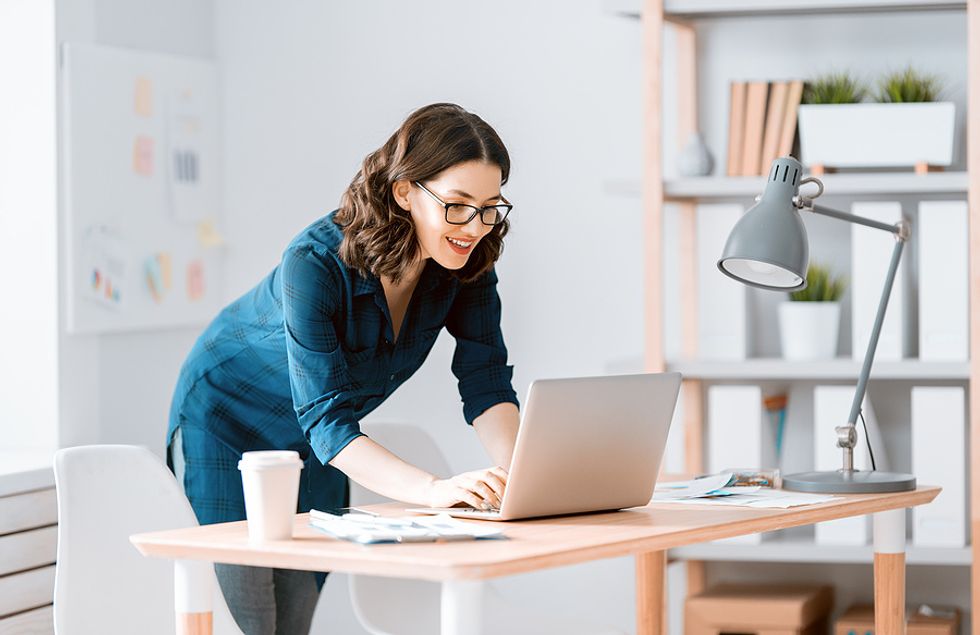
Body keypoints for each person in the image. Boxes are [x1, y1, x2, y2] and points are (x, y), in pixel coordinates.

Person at [166, 103, 521, 634]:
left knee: (294, 618)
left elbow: (486, 378)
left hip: (317, 439)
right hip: (225, 421)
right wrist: (431, 490)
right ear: (406, 192)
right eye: (457, 205)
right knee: (253, 620)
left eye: (490, 206)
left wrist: (524, 477)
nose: (474, 226)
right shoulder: (314, 263)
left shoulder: (466, 262)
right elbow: (331, 420)